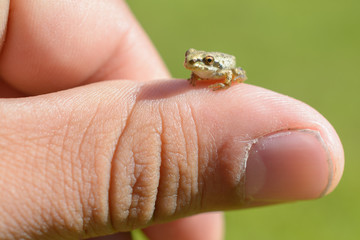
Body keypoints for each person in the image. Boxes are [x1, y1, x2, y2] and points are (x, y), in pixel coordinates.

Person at [0, 1, 344, 239]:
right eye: (191, 60)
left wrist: (219, 78)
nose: (194, 64)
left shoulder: (217, 69)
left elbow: (232, 71)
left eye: (200, 62)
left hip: (227, 71)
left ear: (208, 63)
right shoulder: (196, 70)